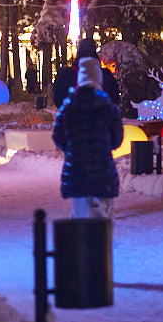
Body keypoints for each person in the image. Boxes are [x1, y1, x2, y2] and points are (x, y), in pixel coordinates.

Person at [51, 56, 124, 219]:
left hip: (77, 166)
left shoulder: (69, 107)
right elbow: (117, 138)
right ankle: (101, 240)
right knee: (103, 213)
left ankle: (81, 237)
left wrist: (71, 148)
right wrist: (105, 147)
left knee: (81, 211)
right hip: (102, 167)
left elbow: (58, 136)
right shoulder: (108, 107)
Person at [52, 38, 120, 107]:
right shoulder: (106, 75)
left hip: (74, 116)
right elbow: (115, 99)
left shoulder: (66, 75)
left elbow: (58, 98)